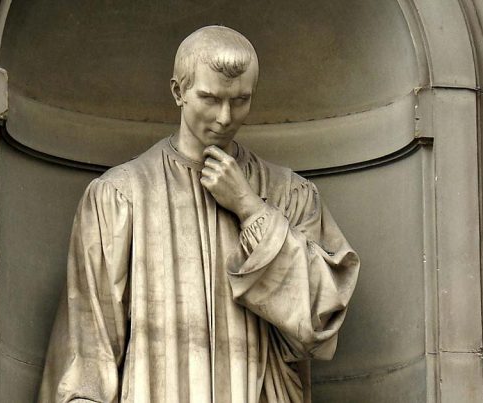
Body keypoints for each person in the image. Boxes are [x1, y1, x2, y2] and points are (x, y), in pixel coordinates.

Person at [38, 25, 359, 403]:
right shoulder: (120, 196)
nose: (225, 116)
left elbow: (319, 317)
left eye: (240, 100)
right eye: (210, 98)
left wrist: (249, 208)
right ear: (178, 92)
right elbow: (89, 347)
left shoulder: (289, 194)